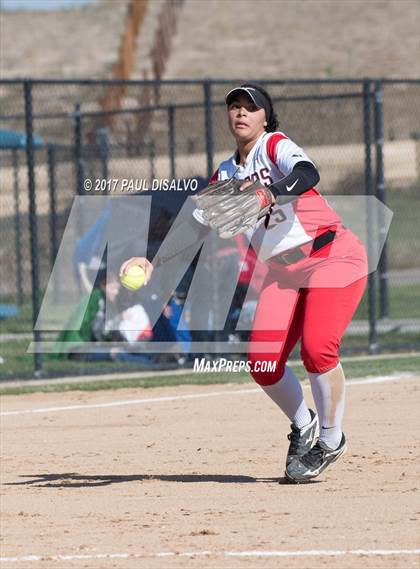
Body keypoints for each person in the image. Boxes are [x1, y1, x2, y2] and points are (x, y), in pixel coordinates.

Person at [120, 83, 368, 483]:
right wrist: (153, 262)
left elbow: (308, 174)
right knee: (263, 362)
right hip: (283, 274)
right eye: (234, 107)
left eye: (250, 108)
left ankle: (329, 439)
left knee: (318, 349)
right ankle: (303, 424)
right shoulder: (226, 174)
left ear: (264, 118)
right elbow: (193, 227)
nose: (240, 113)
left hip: (330, 257)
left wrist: (266, 194)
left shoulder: (275, 146)